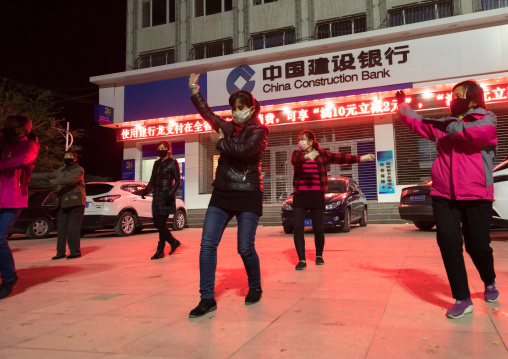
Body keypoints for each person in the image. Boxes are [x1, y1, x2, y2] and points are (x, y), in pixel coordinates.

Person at [395, 80, 499, 319]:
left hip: (476, 193)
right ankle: (463, 298)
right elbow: (418, 123)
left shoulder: (487, 118)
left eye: (458, 95)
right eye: (451, 96)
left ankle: (489, 281)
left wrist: (449, 125)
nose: (453, 100)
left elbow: (477, 134)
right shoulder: (446, 124)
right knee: (449, 244)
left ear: (473, 98)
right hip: (444, 194)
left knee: (477, 245)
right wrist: (403, 107)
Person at [187, 73, 269, 318]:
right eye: (233, 109)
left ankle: (255, 285)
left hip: (247, 193)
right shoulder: (228, 127)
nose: (235, 113)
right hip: (222, 193)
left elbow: (244, 151)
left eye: (240, 109)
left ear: (251, 108)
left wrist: (221, 143)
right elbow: (208, 114)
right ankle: (206, 298)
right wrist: (194, 90)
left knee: (244, 247)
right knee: (207, 245)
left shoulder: (260, 130)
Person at [290, 130, 375, 270]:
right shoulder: (297, 154)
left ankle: (319, 256)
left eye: (303, 139)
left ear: (311, 141)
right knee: (298, 228)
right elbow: (295, 161)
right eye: (299, 139)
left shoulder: (322, 154)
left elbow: (342, 158)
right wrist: (307, 157)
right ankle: (302, 260)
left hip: (317, 196)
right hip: (300, 196)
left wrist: (362, 158)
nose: (300, 142)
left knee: (318, 228)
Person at [0, 115, 39, 299]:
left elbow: (23, 159)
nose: (7, 130)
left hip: (13, 199)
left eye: (11, 127)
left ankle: (9, 279)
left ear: (24, 129)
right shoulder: (5, 145)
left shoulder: (29, 146)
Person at [40, 150, 86, 260]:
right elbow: (47, 175)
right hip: (62, 203)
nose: (68, 159)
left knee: (73, 229)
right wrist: (28, 174)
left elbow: (70, 180)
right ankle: (60, 253)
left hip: (75, 203)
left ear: (75, 159)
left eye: (70, 157)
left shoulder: (79, 170)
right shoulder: (61, 170)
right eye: (66, 157)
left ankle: (75, 252)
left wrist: (54, 182)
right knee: (60, 229)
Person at [141, 140, 181, 260]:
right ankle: (173, 242)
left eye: (163, 147)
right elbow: (152, 180)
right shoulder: (156, 163)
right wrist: (146, 191)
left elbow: (178, 180)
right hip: (157, 195)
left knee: (161, 223)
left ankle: (160, 250)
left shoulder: (173, 162)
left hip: (166, 195)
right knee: (157, 223)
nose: (161, 149)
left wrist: (170, 193)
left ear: (168, 150)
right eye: (159, 147)